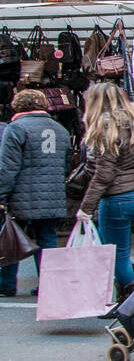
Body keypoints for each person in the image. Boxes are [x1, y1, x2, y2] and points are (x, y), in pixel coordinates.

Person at [78, 82, 134, 302]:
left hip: (117, 197)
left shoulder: (106, 126)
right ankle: (128, 293)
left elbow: (104, 174)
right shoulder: (132, 121)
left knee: (114, 252)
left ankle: (132, 298)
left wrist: (85, 208)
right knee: (121, 250)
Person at [0, 89, 71, 297]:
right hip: (53, 195)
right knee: (47, 239)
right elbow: (64, 166)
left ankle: (6, 284)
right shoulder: (61, 130)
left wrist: (1, 196)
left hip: (22, 195)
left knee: (10, 238)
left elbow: (8, 167)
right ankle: (49, 285)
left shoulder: (16, 129)